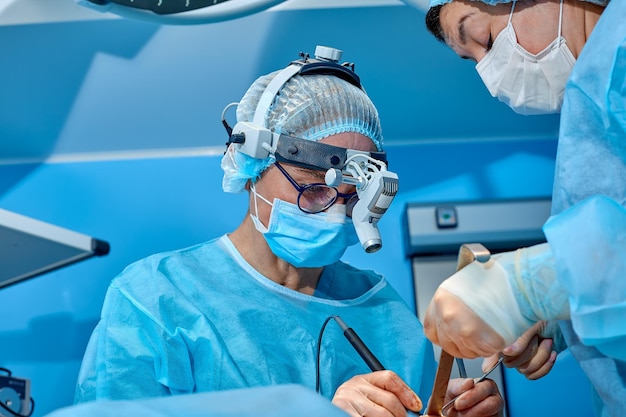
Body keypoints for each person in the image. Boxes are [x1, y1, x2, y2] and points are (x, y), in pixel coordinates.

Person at [74, 47, 504, 417]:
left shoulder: (382, 311)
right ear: (250, 164)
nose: (334, 209)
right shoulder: (157, 298)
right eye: (313, 184)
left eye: (354, 195)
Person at [422, 0, 626, 415]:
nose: (488, 73)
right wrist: (561, 315)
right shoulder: (594, 94)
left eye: (484, 38)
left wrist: (531, 287)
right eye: (471, 61)